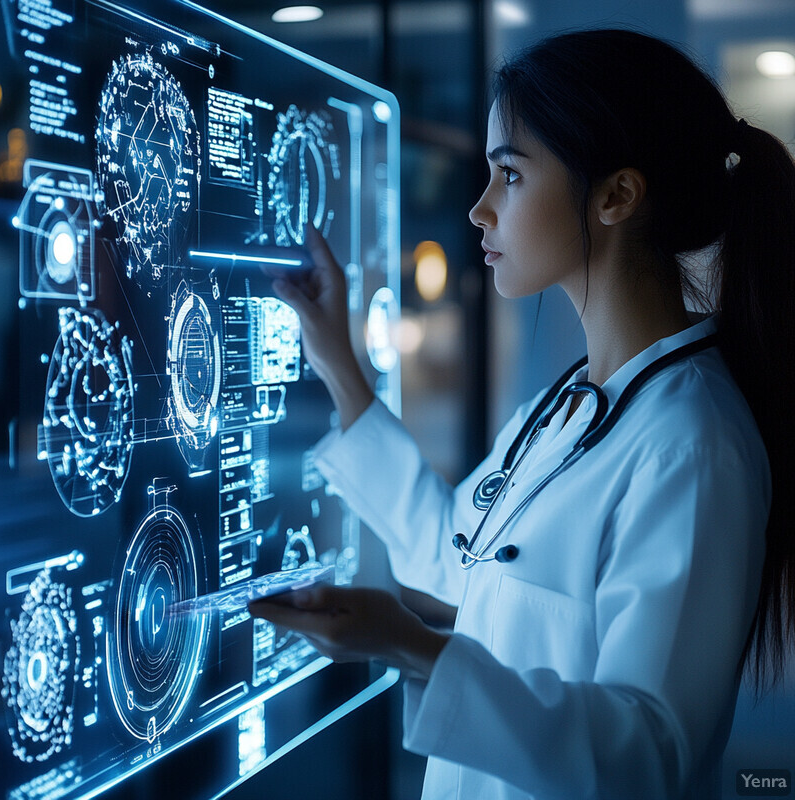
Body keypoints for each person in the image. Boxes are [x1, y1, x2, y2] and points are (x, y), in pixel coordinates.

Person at [249, 28, 795, 799]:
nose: (478, 210)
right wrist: (338, 361)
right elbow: (457, 560)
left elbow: (648, 755)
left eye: (509, 176)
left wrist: (414, 647)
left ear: (615, 196)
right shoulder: (564, 411)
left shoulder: (692, 445)